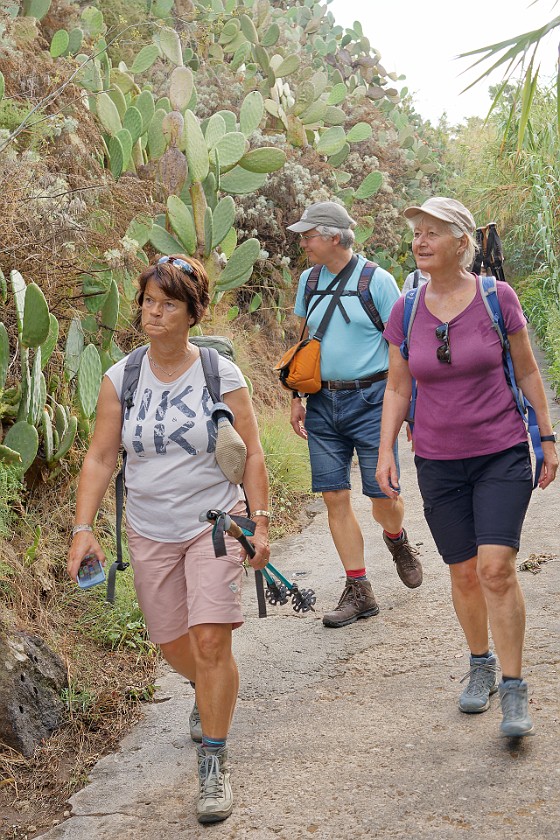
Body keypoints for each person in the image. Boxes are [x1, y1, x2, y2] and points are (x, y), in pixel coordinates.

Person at [67, 255, 270, 824]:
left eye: (168, 304)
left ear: (192, 312)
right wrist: (84, 529)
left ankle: (214, 762)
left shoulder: (220, 375)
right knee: (173, 645)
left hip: (215, 524)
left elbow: (251, 454)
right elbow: (102, 457)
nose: (153, 313)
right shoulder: (121, 377)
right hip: (149, 529)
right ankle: (209, 691)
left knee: (211, 642)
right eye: (148, 302)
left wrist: (261, 521)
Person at [377, 197, 558, 738]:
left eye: (433, 232)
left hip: (500, 450)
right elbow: (397, 385)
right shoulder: (406, 309)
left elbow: (526, 372)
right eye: (416, 233)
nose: (420, 241)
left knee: (495, 568)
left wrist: (546, 438)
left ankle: (515, 686)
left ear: (462, 242)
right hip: (437, 459)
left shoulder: (497, 297)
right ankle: (479, 662)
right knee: (461, 571)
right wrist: (387, 450)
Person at [286, 201, 422, 629]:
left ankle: (396, 538)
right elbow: (303, 339)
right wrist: (295, 395)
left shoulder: (377, 281)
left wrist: (411, 409)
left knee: (383, 496)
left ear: (332, 237)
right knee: (334, 496)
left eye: (308, 235)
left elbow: (405, 347)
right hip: (323, 403)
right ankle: (359, 588)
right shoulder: (307, 281)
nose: (303, 242)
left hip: (373, 402)